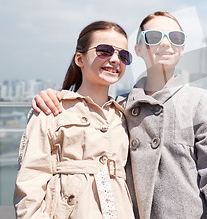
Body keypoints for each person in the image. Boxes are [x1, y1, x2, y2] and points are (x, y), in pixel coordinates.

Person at [32, 11, 207, 219]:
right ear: (138, 49)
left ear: (182, 48)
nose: (166, 43)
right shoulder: (118, 108)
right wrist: (54, 97)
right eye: (154, 37)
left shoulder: (199, 100)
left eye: (175, 37)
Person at [15, 21, 135, 219]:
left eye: (123, 55)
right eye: (104, 51)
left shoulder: (125, 115)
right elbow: (31, 181)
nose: (115, 59)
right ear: (80, 58)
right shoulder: (52, 109)